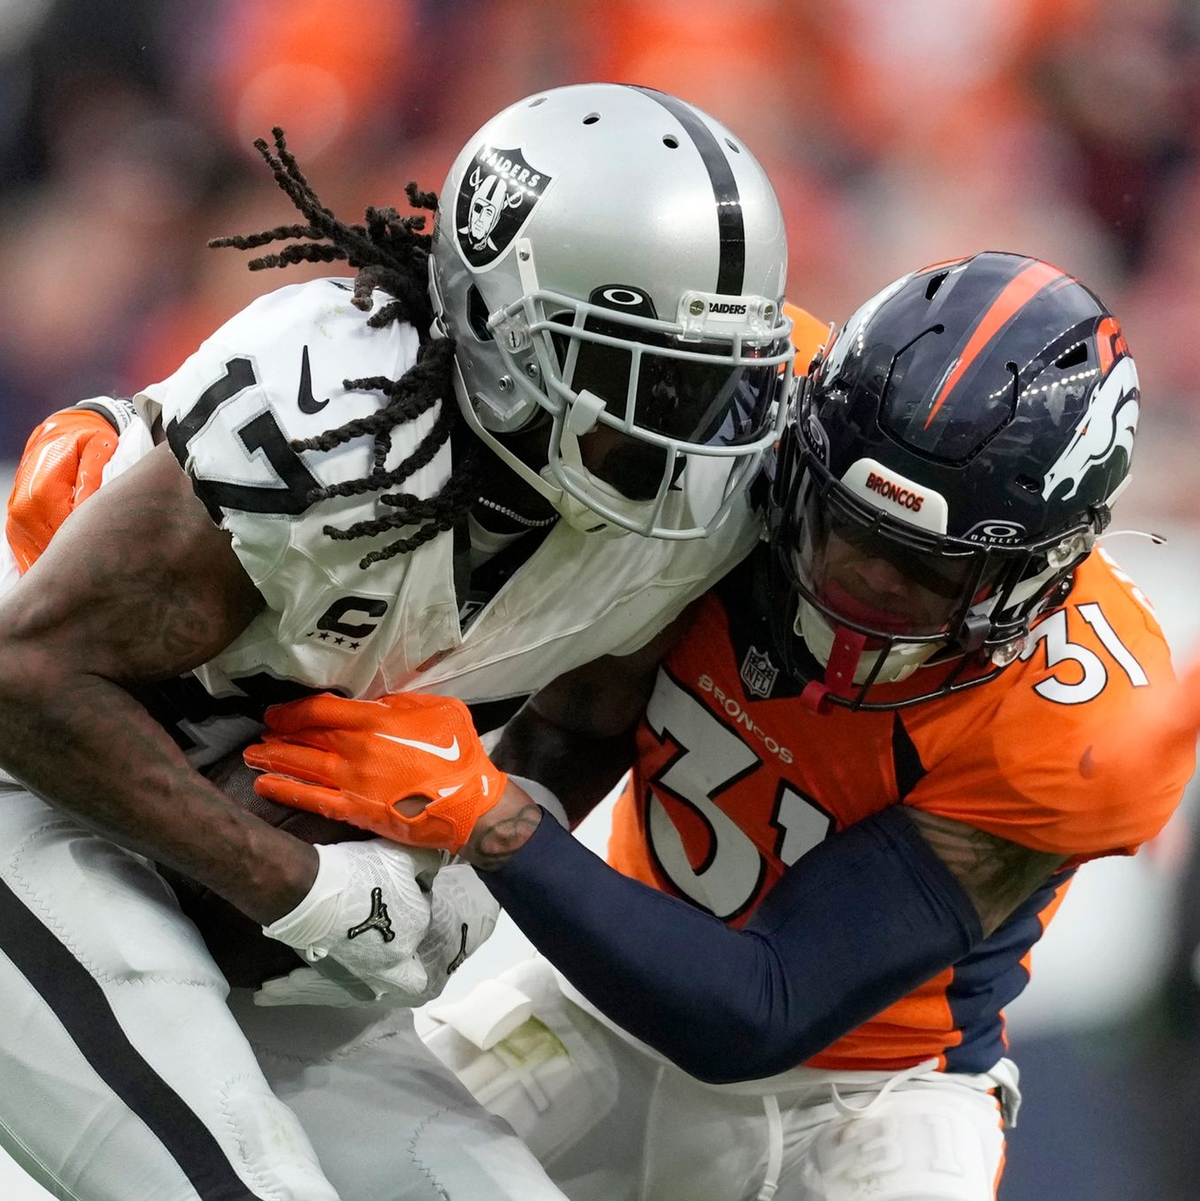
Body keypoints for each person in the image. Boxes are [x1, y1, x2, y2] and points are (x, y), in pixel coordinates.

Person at [245, 252, 1196, 1201]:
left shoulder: (1082, 719)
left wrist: (493, 819)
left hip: (876, 1098)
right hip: (608, 1013)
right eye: (848, 524)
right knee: (283, 1158)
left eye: (926, 569)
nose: (861, 583)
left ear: (1042, 569)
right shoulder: (740, 419)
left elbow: (762, 1005)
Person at [0, 82, 802, 1201]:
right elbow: (26, 679)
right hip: (38, 809)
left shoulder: (707, 504)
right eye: (639, 374)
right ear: (497, 326)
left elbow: (581, 716)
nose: (680, 429)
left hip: (248, 883)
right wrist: (295, 884)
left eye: (710, 378)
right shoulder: (328, 422)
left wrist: (458, 877)